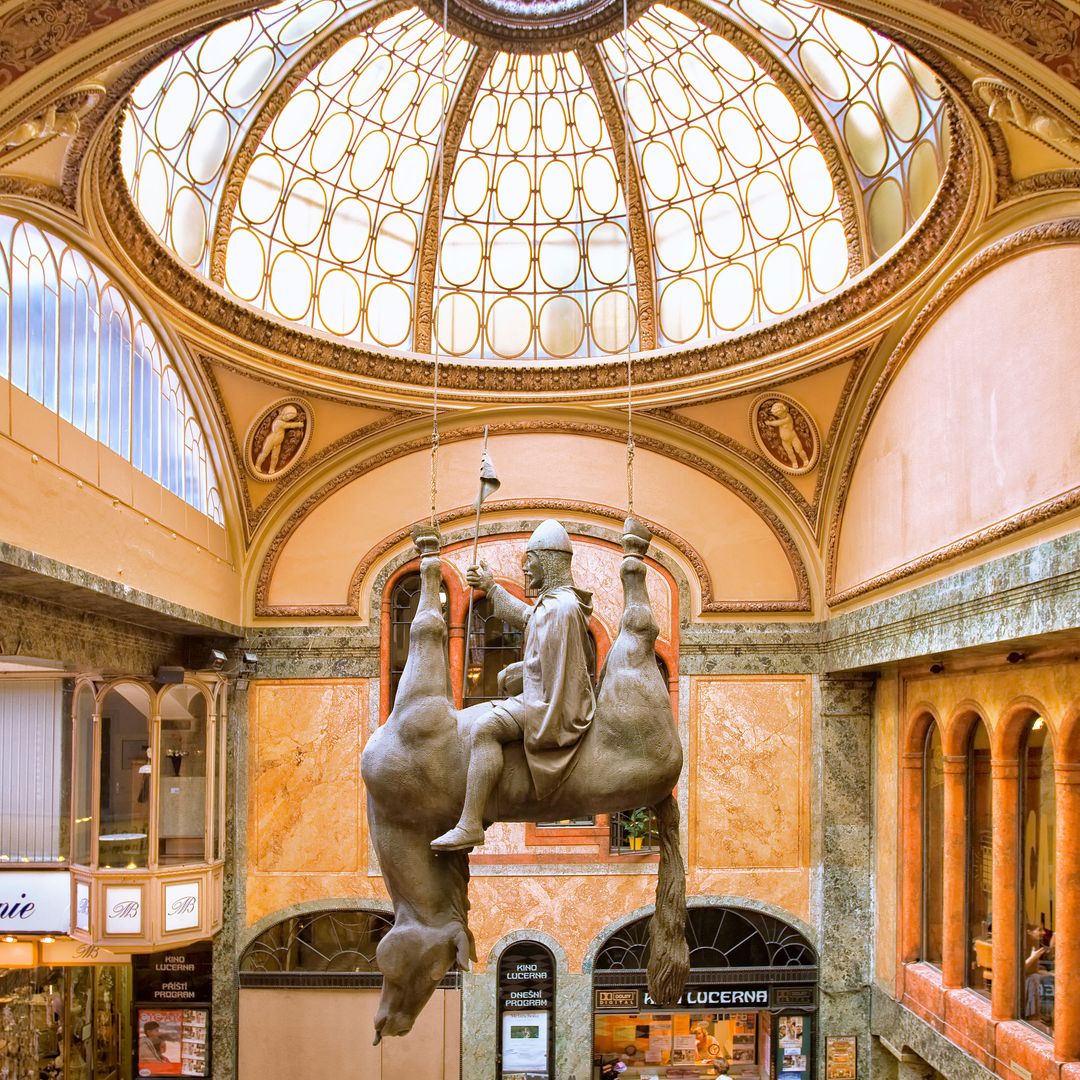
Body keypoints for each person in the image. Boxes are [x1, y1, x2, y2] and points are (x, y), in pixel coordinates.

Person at [431, 519, 595, 851]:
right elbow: (529, 618)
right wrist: (490, 587)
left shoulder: (560, 608)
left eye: (531, 563)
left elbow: (554, 671)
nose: (527, 572)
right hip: (548, 690)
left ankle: (470, 823)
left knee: (485, 729)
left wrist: (521, 675)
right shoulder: (557, 603)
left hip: (553, 702)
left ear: (548, 561)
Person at [253, 404, 305, 474]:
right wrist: (298, 424)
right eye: (289, 417)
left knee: (275, 456)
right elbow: (288, 425)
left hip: (278, 442)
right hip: (271, 440)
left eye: (291, 418)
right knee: (264, 453)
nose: (289, 419)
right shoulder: (278, 422)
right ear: (285, 414)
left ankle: (272, 469)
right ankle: (257, 465)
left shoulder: (282, 421)